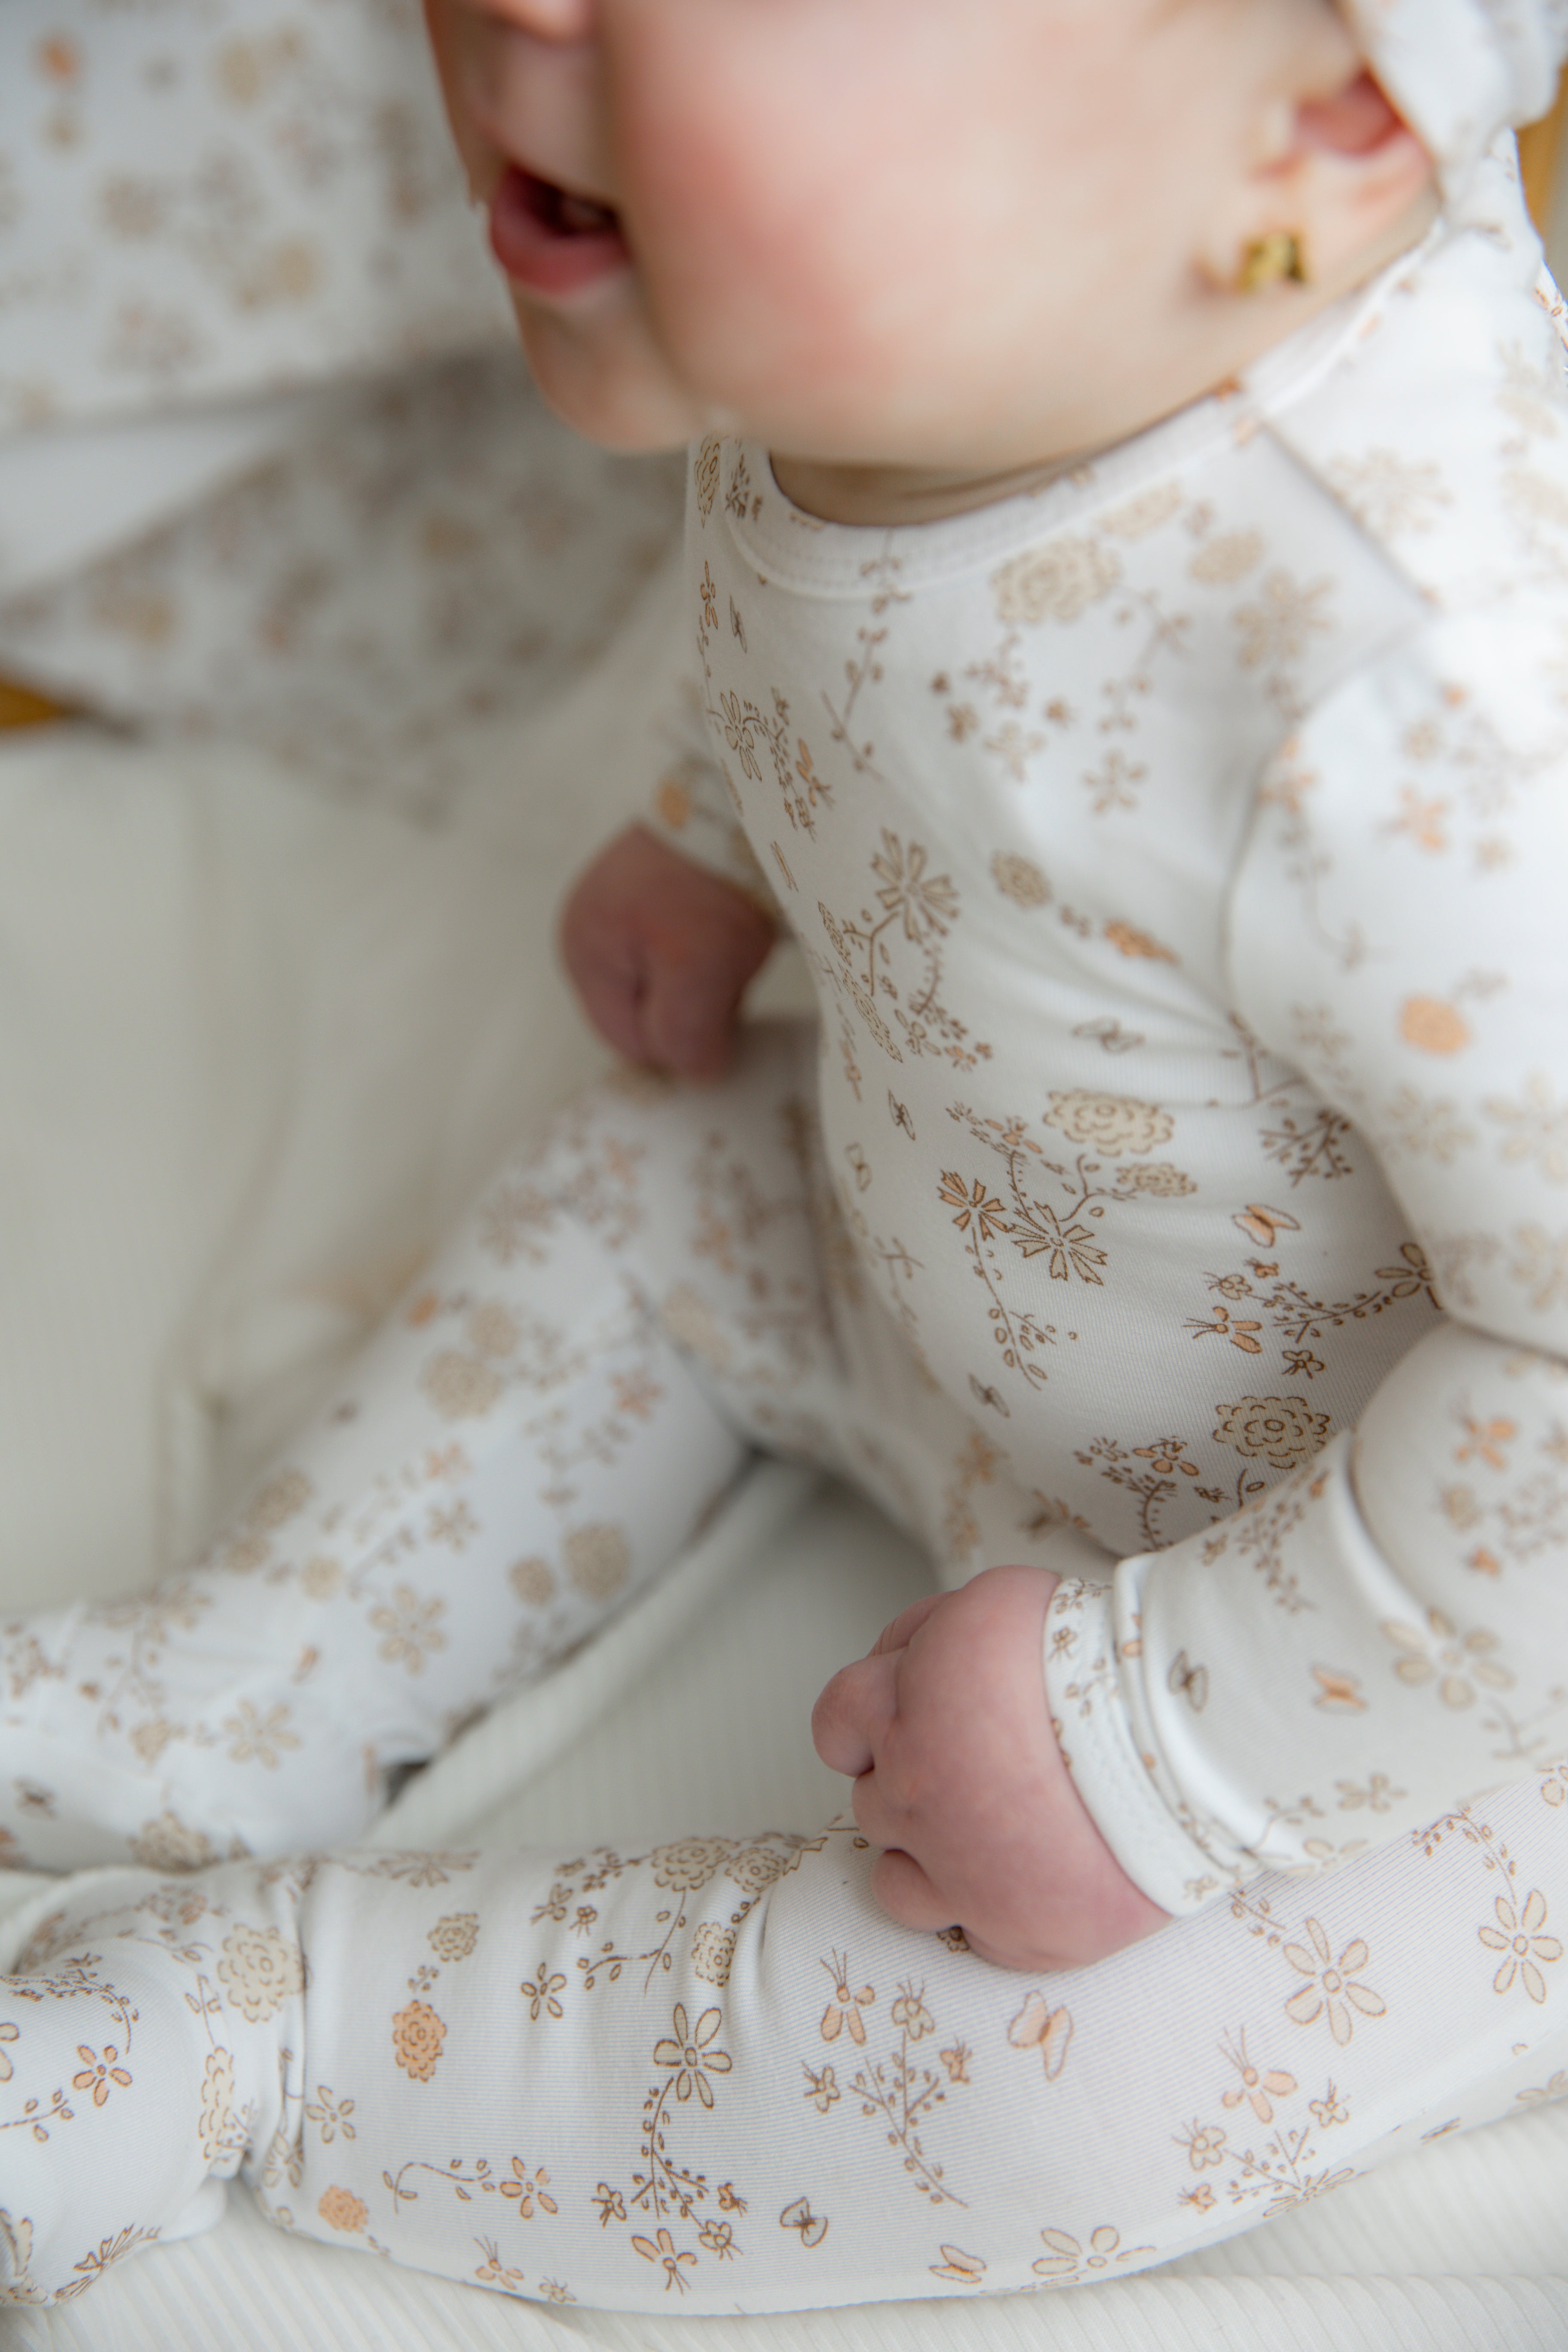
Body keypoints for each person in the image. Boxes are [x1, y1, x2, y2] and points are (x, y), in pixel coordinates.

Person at [3, 0, 1568, 2313]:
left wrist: (1166, 1749)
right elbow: (837, 629)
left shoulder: (1431, 695)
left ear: (1322, 120)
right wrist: (710, 828)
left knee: (1082, 2087)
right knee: (660, 1171)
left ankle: (270, 2028)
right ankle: (234, 1696)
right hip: (955, 1256)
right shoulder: (929, 324)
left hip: (1438, 1675)